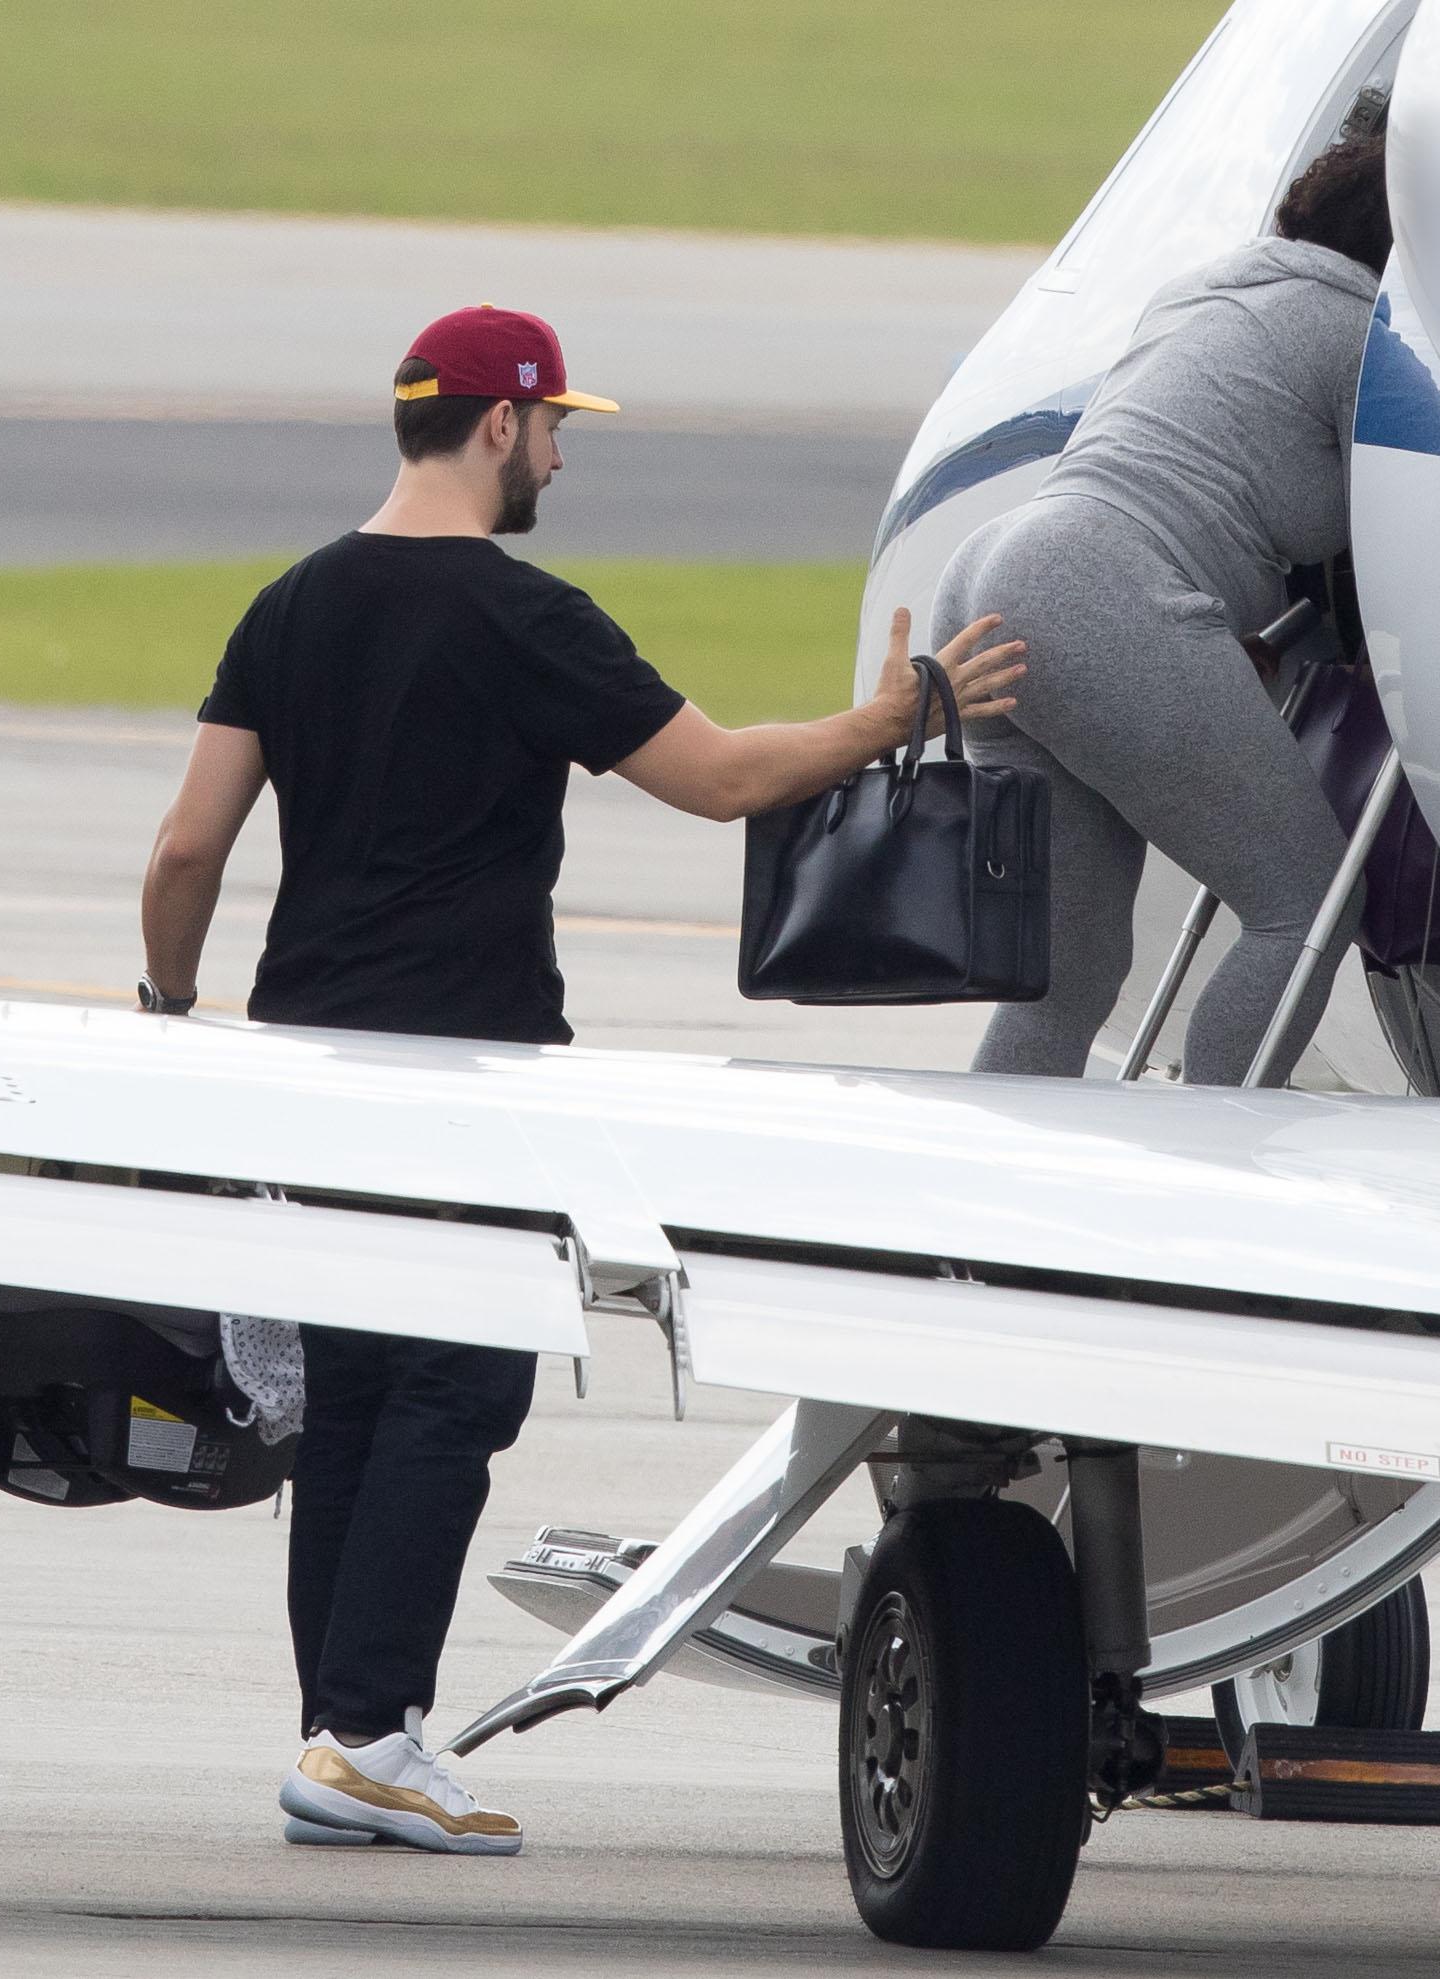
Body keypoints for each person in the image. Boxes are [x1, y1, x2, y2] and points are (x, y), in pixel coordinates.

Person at [137, 305, 1023, 1856]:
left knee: (349, 1396)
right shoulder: (524, 616)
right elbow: (723, 778)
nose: (560, 457)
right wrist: (888, 722)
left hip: (303, 1056)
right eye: (555, 430)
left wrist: (169, 1002)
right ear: (495, 425)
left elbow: (187, 844)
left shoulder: (289, 606)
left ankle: (344, 1733)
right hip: (468, 1065)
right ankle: (364, 1733)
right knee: (459, 1383)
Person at [933, 94, 1391, 1086]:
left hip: (995, 574)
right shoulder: (1366, 333)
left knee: (1065, 982)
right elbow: (1396, 540)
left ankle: (982, 1212)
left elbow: (1215, 475)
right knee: (1300, 905)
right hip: (1098, 592)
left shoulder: (1204, 289)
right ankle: (1210, 1169)